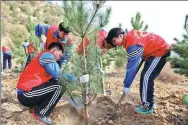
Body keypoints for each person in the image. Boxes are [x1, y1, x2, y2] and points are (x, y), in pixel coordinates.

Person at [105, 28, 170, 114]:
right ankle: (149, 102)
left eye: (114, 41)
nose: (114, 44)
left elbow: (131, 67)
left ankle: (148, 106)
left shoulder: (132, 44)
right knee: (145, 76)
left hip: (160, 51)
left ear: (120, 36)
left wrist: (126, 85)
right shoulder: (130, 37)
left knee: (146, 76)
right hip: (153, 52)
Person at [16, 42, 65, 125]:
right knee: (60, 86)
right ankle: (40, 113)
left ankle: (40, 108)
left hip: (29, 93)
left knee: (55, 83)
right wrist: (75, 78)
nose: (59, 59)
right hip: (26, 95)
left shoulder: (45, 57)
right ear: (54, 50)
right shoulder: (47, 56)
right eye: (59, 56)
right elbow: (58, 74)